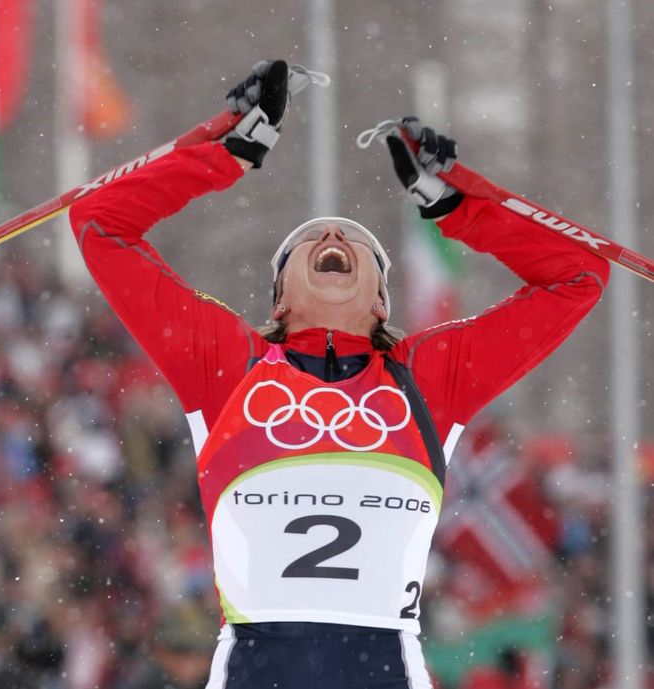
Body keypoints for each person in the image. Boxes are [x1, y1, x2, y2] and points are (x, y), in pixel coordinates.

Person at [69, 60, 609, 689]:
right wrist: (227, 152)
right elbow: (101, 223)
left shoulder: (428, 381)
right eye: (312, 239)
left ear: (382, 300)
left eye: (356, 241)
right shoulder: (227, 367)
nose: (332, 233)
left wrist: (460, 206)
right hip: (255, 666)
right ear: (278, 301)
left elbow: (577, 277)